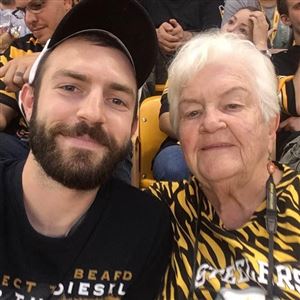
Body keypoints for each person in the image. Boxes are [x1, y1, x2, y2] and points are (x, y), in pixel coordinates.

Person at [0, 0, 172, 299]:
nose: (92, 113)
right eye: (70, 87)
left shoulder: (146, 227)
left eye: (117, 99)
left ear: (132, 127)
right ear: (28, 102)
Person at [148, 31, 300, 299]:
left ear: (271, 124)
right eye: (192, 112)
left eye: (232, 105)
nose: (210, 123)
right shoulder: (157, 213)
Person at [152, 7, 270, 181]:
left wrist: (261, 45)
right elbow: (165, 120)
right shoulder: (189, 65)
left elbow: (267, 116)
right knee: (172, 165)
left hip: (240, 144)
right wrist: (206, 134)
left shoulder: (258, 74)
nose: (230, 29)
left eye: (242, 30)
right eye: (231, 21)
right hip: (183, 145)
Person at [221, 0, 293, 49]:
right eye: (242, 30)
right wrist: (261, 45)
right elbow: (224, 41)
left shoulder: (294, 3)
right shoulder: (238, 2)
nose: (231, 28)